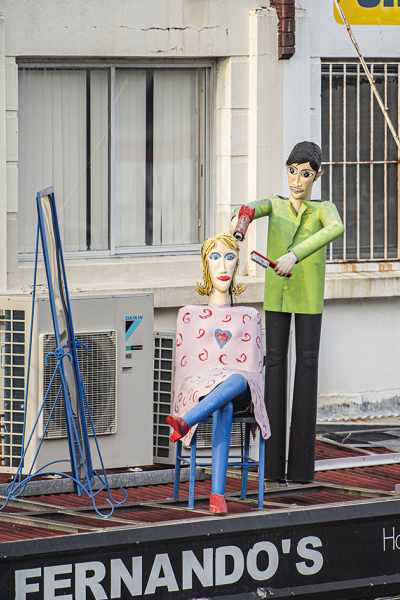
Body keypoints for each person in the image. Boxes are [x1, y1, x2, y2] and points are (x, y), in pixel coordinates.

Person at [230, 141, 344, 483]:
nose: (297, 180)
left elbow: (336, 227)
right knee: (275, 366)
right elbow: (248, 208)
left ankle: (301, 467)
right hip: (277, 295)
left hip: (308, 294)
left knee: (307, 365)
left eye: (305, 174)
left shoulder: (323, 208)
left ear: (317, 176)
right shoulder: (275, 204)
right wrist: (241, 223)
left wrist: (295, 255)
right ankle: (271, 465)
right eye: (292, 171)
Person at [166, 233, 270, 514]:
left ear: (237, 264)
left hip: (242, 390)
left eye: (230, 257)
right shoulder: (189, 315)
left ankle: (186, 421)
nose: (223, 266)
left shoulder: (250, 316)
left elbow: (253, 371)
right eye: (215, 258)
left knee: (235, 379)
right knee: (223, 403)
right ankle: (217, 497)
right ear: (205, 264)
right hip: (207, 391)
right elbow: (185, 371)